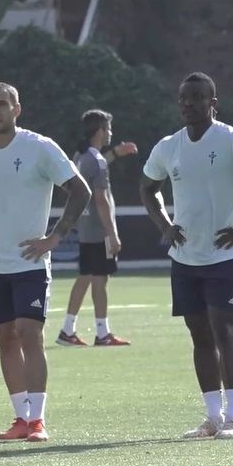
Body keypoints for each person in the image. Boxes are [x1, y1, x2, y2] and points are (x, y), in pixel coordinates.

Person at [140, 72, 233, 440]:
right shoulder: (168, 147)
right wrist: (164, 225)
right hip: (185, 260)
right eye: (184, 98)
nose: (189, 104)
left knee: (225, 332)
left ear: (213, 103)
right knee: (200, 336)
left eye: (197, 97)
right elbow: (147, 186)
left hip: (223, 258)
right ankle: (212, 417)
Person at [0, 82, 91, 443]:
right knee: (5, 337)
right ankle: (19, 417)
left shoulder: (39, 148)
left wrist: (55, 236)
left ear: (17, 109)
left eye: (2, 104)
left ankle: (37, 421)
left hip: (30, 261)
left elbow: (80, 190)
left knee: (30, 333)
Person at [56, 109, 137, 347]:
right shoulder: (97, 161)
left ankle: (69, 330)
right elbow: (101, 199)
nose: (110, 132)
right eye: (108, 128)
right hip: (99, 230)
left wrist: (114, 153)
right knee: (99, 279)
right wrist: (112, 234)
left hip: (85, 226)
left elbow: (71, 184)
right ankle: (101, 333)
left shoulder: (81, 156)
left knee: (88, 277)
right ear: (100, 130)